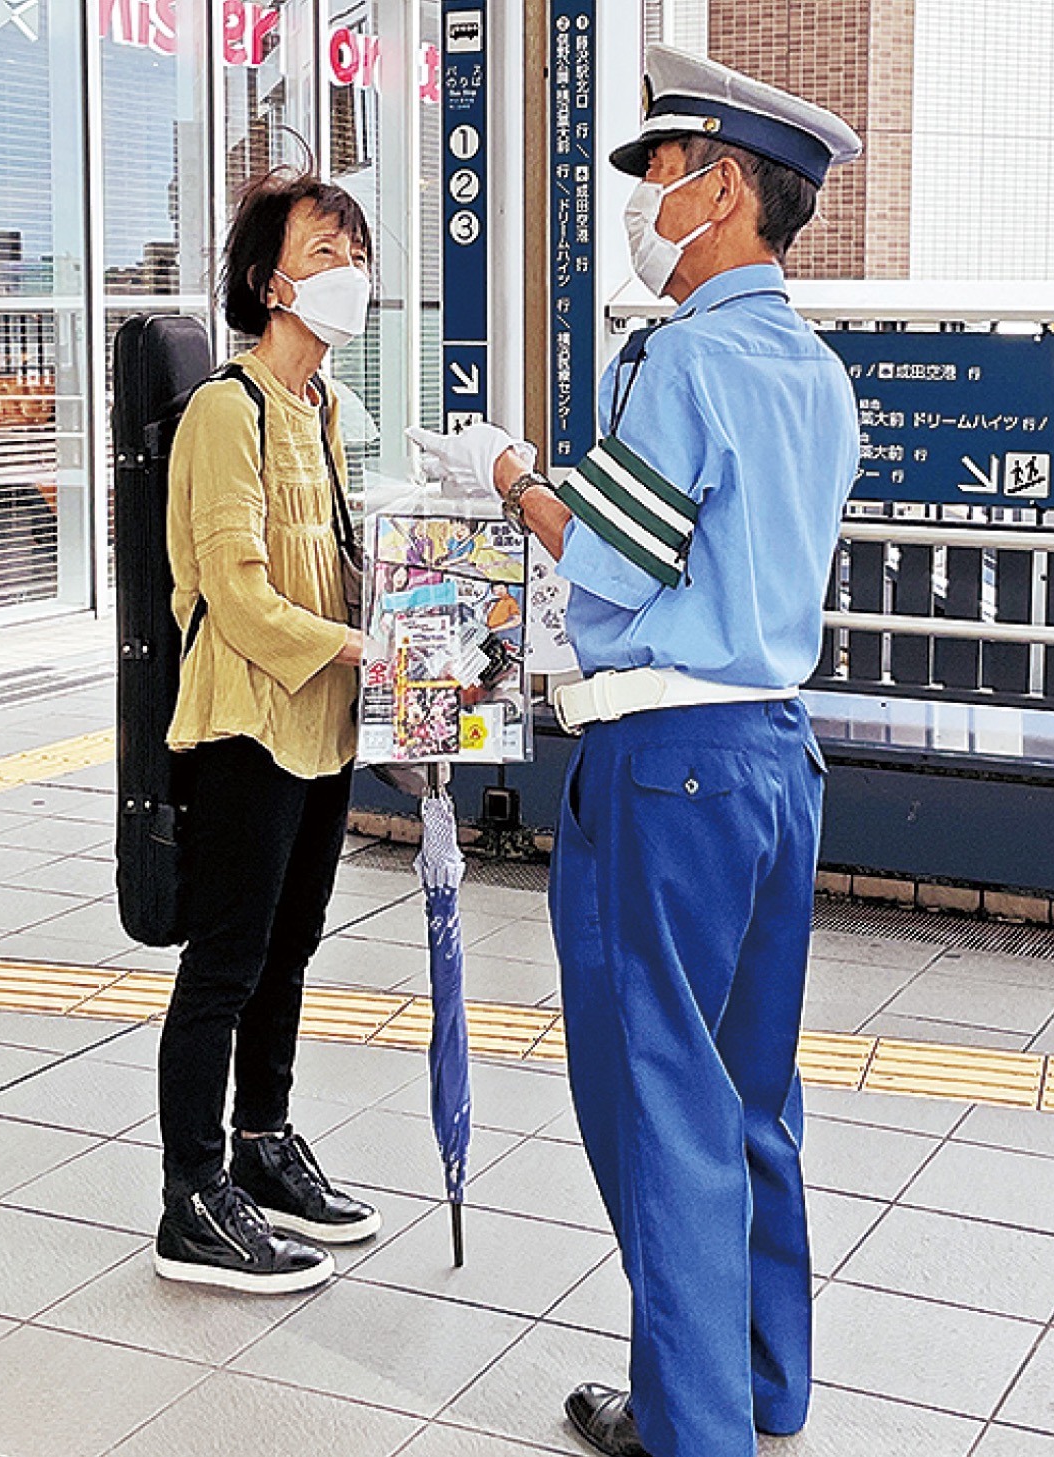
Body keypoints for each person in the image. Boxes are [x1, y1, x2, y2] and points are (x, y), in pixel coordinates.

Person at [410, 44, 861, 1457]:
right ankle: (763, 1383)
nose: (643, 201)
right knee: (751, 1091)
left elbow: (609, 558)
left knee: (657, 1096)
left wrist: (505, 473)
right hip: (777, 757)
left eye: (660, 172)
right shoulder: (817, 373)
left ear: (722, 191)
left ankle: (689, 1427)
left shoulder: (681, 358)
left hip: (666, 770)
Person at [155, 170, 382, 1294]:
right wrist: (360, 649)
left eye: (357, 253)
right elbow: (237, 598)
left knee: (289, 949)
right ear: (269, 281)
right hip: (247, 724)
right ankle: (192, 1198)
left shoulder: (325, 407)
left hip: (322, 727)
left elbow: (332, 563)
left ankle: (262, 1142)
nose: (349, 272)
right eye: (325, 251)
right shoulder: (225, 409)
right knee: (226, 964)